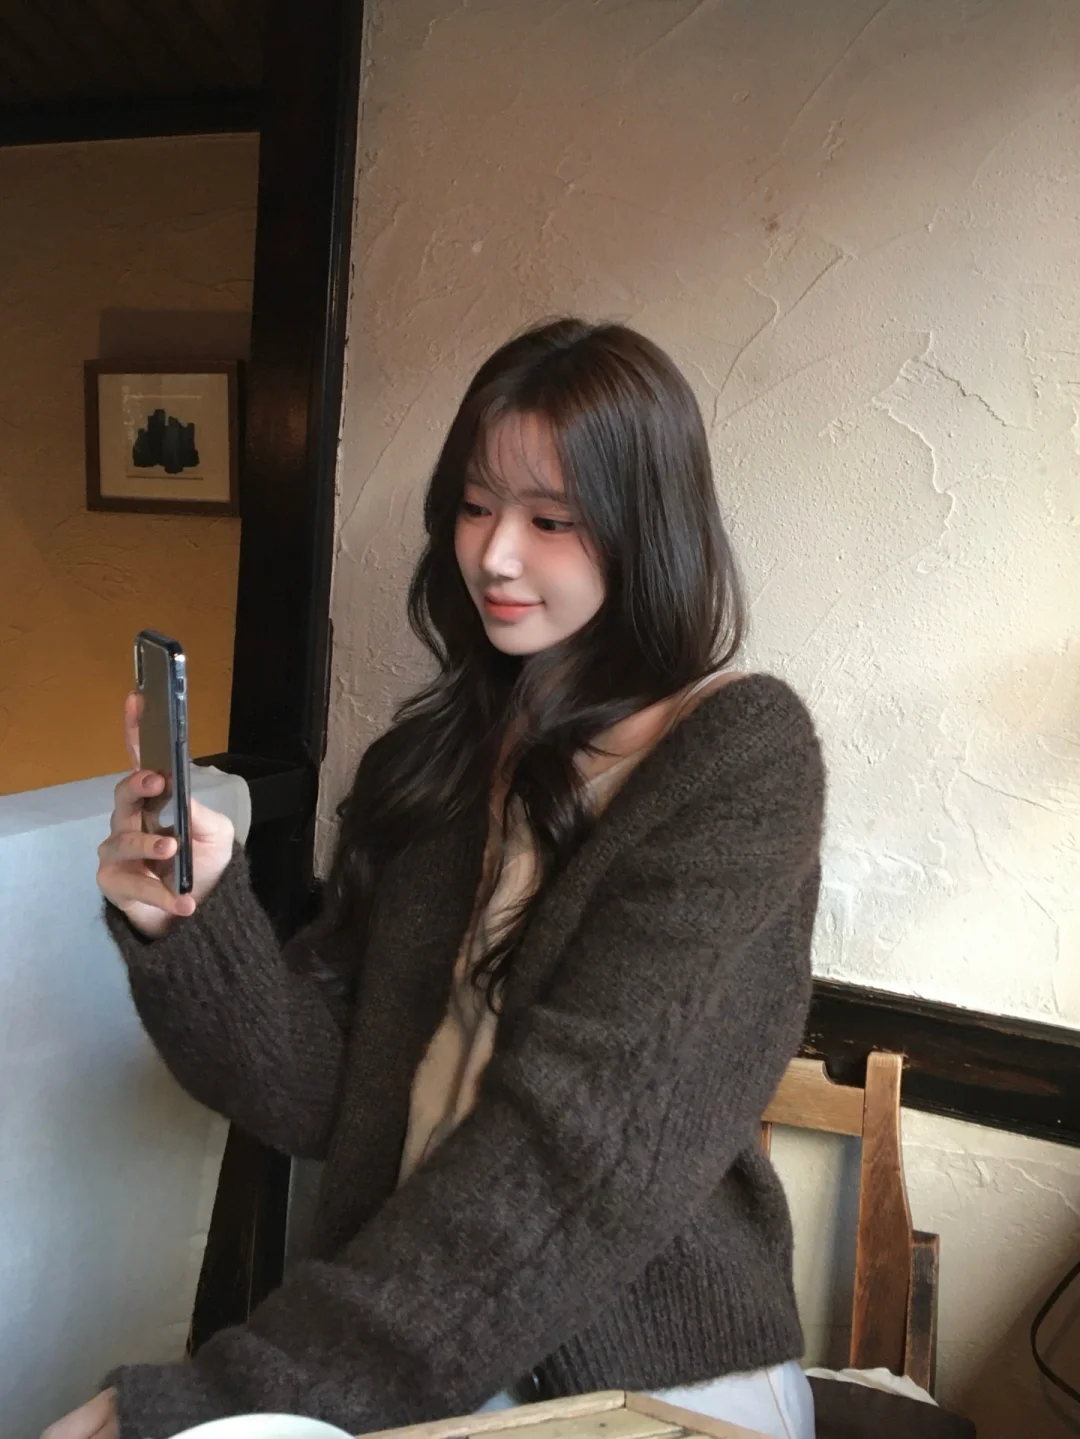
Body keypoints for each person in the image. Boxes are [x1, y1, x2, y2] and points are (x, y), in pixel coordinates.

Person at [48, 319, 824, 1439]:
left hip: (648, 1388)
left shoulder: (740, 760)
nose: (495, 554)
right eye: (474, 504)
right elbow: (321, 1091)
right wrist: (193, 919)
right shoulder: (441, 762)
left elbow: (569, 1160)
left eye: (551, 520)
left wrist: (226, 1393)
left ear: (649, 528)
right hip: (402, 1362)